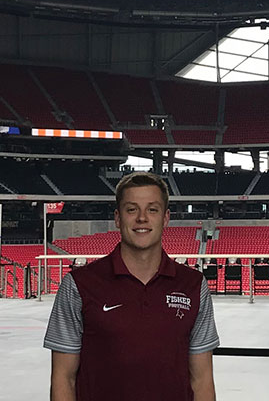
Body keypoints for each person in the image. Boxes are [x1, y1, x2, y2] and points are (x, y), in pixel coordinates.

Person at [44, 172, 218, 401]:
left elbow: (202, 380)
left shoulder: (194, 285)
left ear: (165, 218)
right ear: (118, 218)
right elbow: (64, 379)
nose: (142, 218)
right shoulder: (78, 285)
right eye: (132, 209)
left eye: (152, 209)